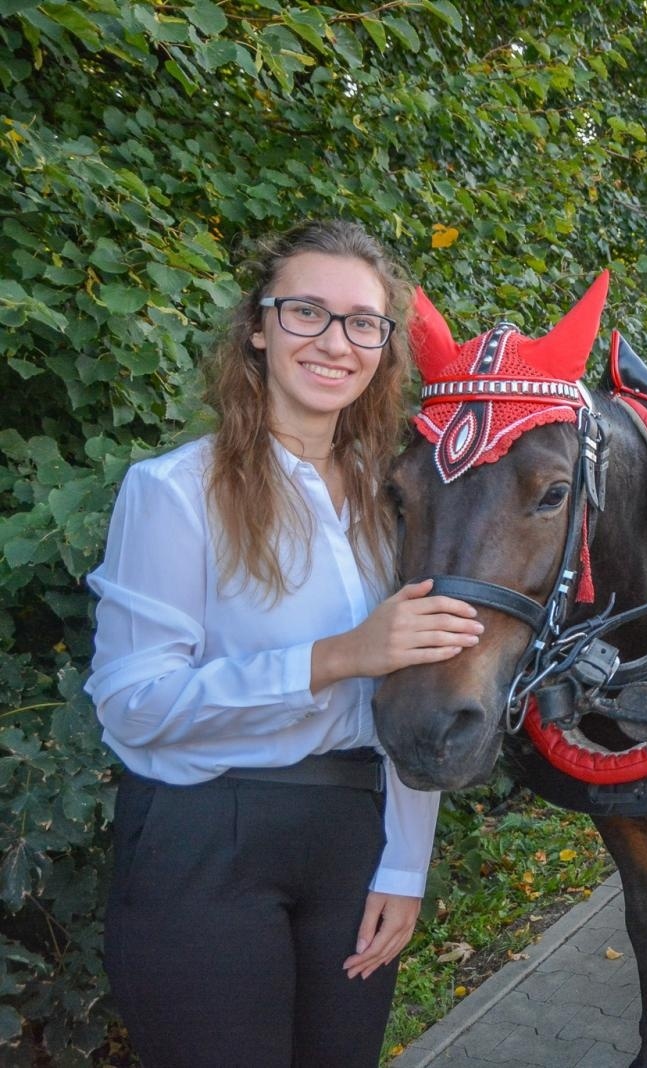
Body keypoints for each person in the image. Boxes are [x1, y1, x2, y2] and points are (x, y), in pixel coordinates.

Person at [86, 220, 484, 1066]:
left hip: (353, 839)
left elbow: (418, 700)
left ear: (384, 346)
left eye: (363, 322)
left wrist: (405, 865)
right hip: (206, 838)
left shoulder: (401, 501)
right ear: (258, 328)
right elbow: (131, 706)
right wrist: (336, 656)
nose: (336, 342)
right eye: (307, 311)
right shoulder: (174, 492)